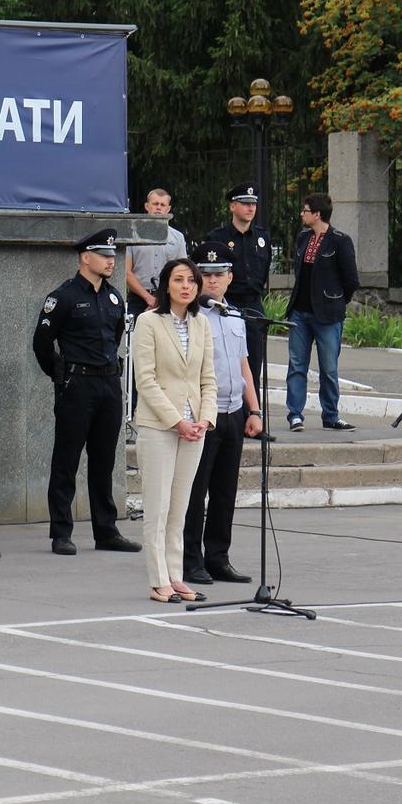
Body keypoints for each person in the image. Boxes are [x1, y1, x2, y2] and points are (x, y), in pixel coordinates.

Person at [33, 228, 143, 556]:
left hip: (108, 384)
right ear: (85, 258)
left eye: (113, 255)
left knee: (104, 461)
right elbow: (42, 342)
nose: (111, 260)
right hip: (77, 385)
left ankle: (106, 531)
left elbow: (115, 336)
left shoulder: (114, 297)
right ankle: (61, 532)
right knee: (66, 460)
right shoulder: (64, 297)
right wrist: (60, 375)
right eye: (104, 255)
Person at [132, 258, 217, 603]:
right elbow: (146, 380)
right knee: (158, 507)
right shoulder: (148, 321)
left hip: (194, 428)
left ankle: (176, 575)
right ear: (166, 284)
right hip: (159, 426)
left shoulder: (201, 323)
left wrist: (204, 419)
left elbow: (208, 378)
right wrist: (176, 421)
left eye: (192, 280)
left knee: (180, 507)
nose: (186, 286)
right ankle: (158, 580)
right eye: (179, 279)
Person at [182, 243, 263, 586]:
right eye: (206, 274)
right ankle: (189, 560)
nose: (212, 281)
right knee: (195, 490)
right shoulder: (190, 318)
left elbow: (244, 366)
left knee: (225, 492)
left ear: (230, 277)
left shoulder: (235, 316)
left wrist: (254, 409)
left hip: (233, 411)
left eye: (219, 274)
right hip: (205, 414)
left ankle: (218, 557)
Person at [286, 193, 360, 432]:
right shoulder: (303, 237)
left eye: (305, 210)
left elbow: (351, 280)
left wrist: (336, 301)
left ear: (317, 214)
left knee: (328, 369)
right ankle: (295, 415)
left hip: (327, 315)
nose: (302, 214)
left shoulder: (340, 241)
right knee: (297, 365)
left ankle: (331, 415)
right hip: (300, 312)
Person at [209, 183, 272, 401]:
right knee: (224, 362)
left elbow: (264, 270)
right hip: (228, 303)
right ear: (233, 206)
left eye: (253, 204)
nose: (250, 208)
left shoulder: (262, 237)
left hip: (253, 304)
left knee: (253, 363)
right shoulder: (218, 237)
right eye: (245, 203)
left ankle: (253, 413)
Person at [125, 189, 189, 316]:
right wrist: (148, 298)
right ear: (146, 206)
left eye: (162, 205)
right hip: (138, 298)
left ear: (168, 209)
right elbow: (126, 272)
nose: (158, 207)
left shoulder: (178, 237)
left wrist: (161, 298)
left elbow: (182, 272)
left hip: (168, 298)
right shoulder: (132, 235)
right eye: (155, 204)